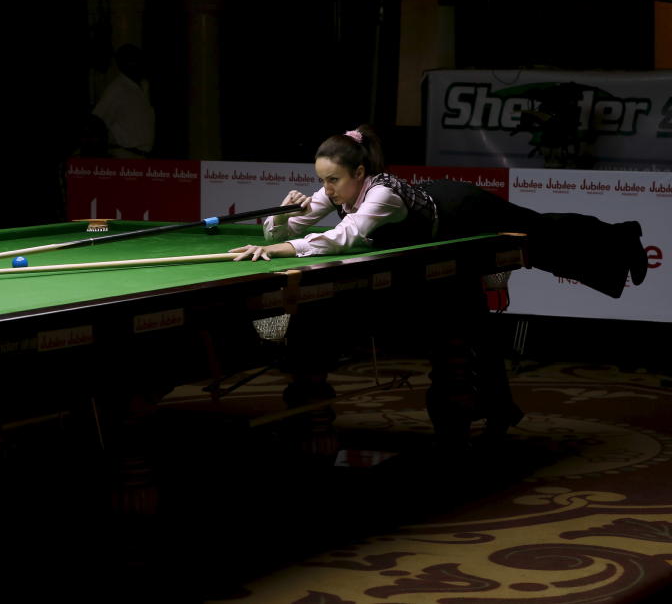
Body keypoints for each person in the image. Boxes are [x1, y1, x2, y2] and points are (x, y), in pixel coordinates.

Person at [229, 125, 648, 447]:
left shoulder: (380, 195)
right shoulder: (337, 190)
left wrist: (285, 247)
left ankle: (622, 236)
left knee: (538, 232)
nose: (325, 190)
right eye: (321, 181)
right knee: (541, 245)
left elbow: (345, 238)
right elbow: (282, 230)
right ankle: (620, 249)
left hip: (459, 209)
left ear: (359, 172)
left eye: (332, 180)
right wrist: (284, 217)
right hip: (434, 224)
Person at [92, 44, 155, 158]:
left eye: (138, 59)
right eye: (132, 60)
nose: (137, 63)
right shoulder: (116, 89)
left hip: (144, 157)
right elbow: (97, 121)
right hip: (124, 157)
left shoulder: (143, 86)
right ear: (122, 64)